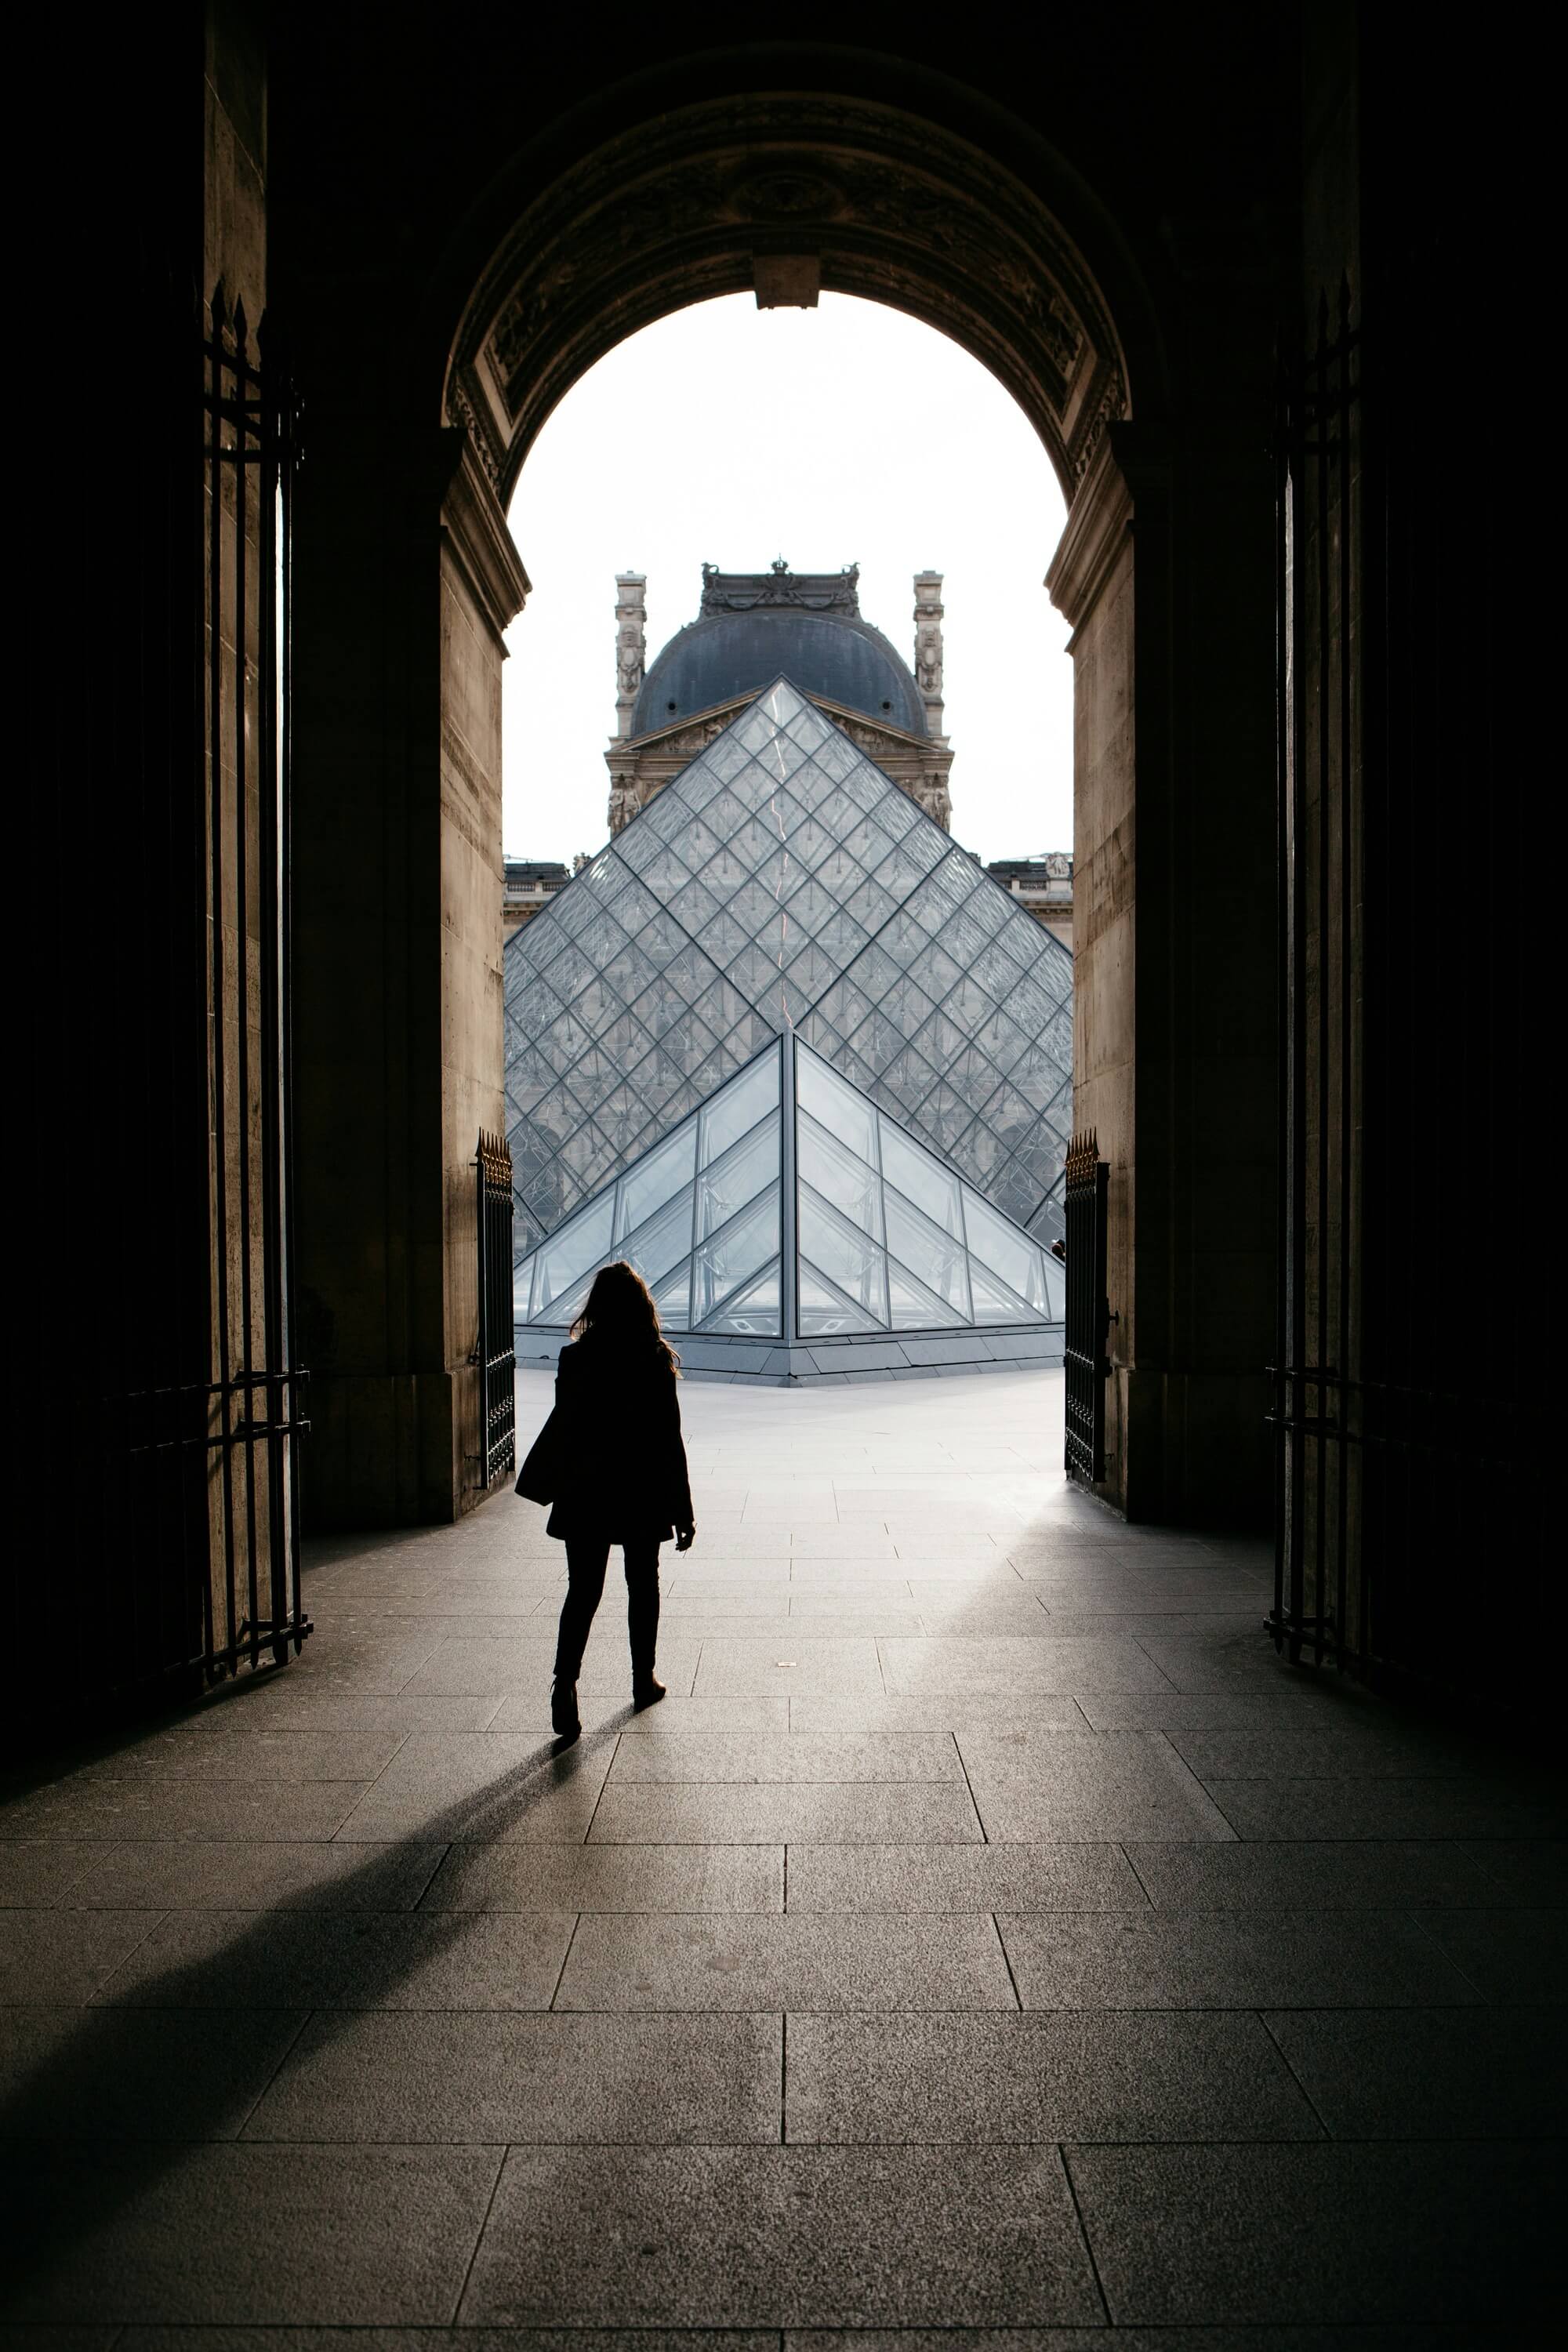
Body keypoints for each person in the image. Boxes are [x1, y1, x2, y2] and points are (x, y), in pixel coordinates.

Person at [527, 1259, 695, 1742]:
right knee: (643, 1583)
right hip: (640, 1489)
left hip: (585, 1489)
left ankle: (566, 1683)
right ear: (642, 1304)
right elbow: (669, 1440)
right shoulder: (654, 1357)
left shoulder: (575, 1358)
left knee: (583, 1590)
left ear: (596, 1306)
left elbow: (567, 1425)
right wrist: (682, 1511)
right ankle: (643, 1680)